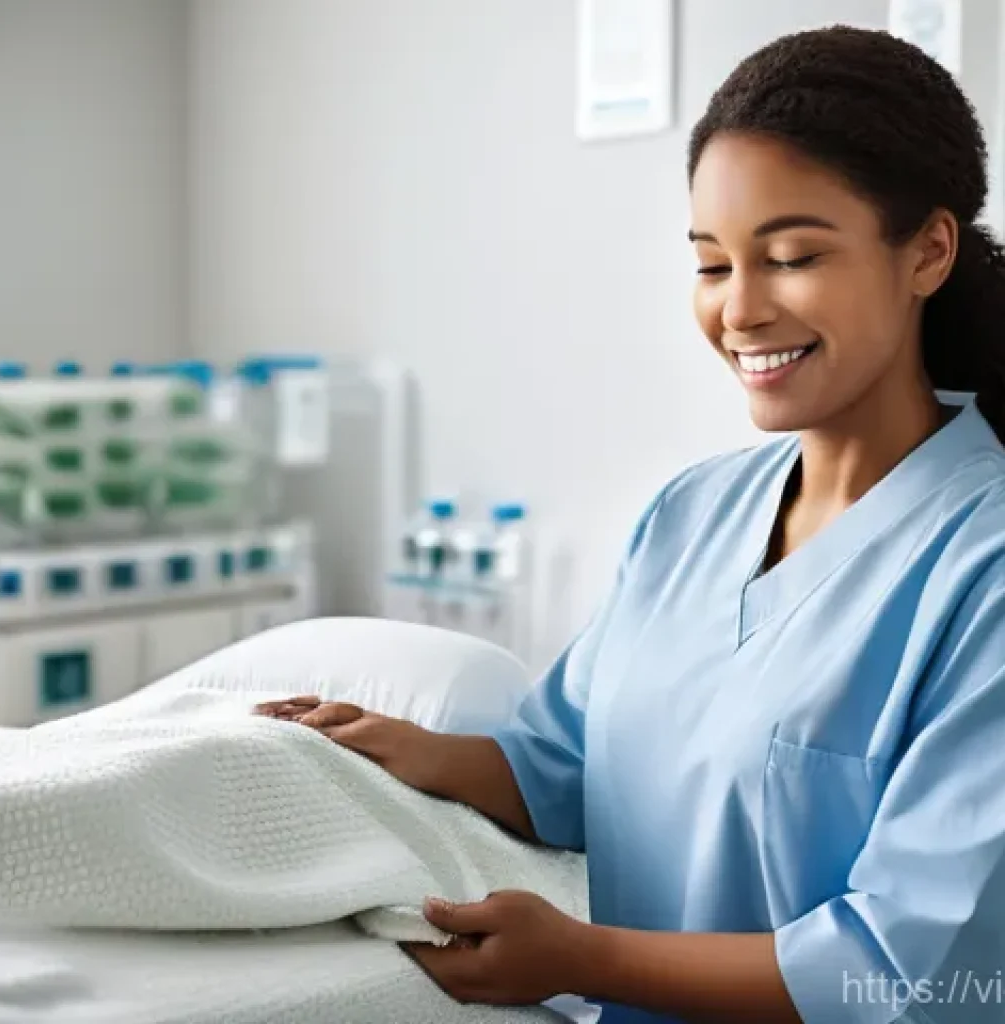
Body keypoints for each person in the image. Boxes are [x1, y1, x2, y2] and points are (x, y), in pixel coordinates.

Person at [255, 26, 1005, 1023]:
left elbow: (901, 966)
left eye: (789, 257)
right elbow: (568, 768)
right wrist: (403, 749)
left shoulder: (981, 566)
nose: (739, 310)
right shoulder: (691, 513)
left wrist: (583, 958)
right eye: (710, 264)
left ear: (928, 251)